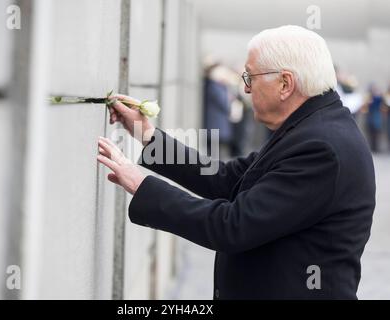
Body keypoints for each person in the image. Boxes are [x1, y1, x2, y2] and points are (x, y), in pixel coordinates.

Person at [97, 25, 375, 299]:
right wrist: (146, 135)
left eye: (250, 77)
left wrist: (142, 185)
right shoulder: (312, 128)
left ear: (285, 84)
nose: (245, 88)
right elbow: (227, 178)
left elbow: (232, 226)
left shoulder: (321, 147)